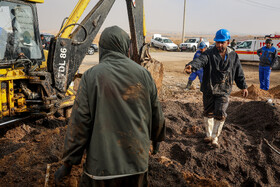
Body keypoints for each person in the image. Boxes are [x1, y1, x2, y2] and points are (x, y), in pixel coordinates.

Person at [54, 26, 166, 186]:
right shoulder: (144, 75)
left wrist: (68, 164)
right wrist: (157, 139)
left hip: (101, 170)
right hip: (137, 166)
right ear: (126, 48)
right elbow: (156, 112)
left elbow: (79, 123)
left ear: (103, 49)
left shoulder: (91, 76)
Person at [184, 29, 248, 148]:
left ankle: (215, 137)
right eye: (218, 42)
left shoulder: (233, 55)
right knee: (208, 112)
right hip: (209, 88)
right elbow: (200, 61)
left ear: (227, 42)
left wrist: (243, 86)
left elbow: (239, 72)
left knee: (220, 113)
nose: (219, 45)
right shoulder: (209, 53)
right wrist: (191, 66)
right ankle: (208, 135)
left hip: (224, 89)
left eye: (222, 42)